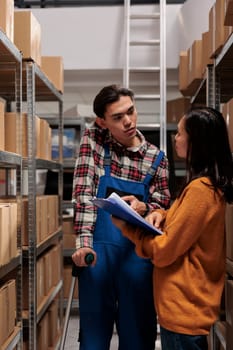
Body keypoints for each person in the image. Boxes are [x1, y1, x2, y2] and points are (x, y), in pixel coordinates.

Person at [112, 106, 233, 350]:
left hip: (184, 313)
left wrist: (129, 228)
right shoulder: (200, 186)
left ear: (195, 142)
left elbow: (165, 251)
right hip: (182, 310)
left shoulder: (201, 191)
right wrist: (155, 213)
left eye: (179, 133)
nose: (175, 138)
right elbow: (185, 221)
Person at [71, 84, 171, 350]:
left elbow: (163, 204)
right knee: (93, 335)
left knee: (137, 335)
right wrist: (83, 245)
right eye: (117, 117)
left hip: (137, 256)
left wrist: (145, 207)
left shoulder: (156, 158)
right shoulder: (93, 140)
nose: (128, 121)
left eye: (130, 111)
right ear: (102, 122)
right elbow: (83, 192)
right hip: (98, 254)